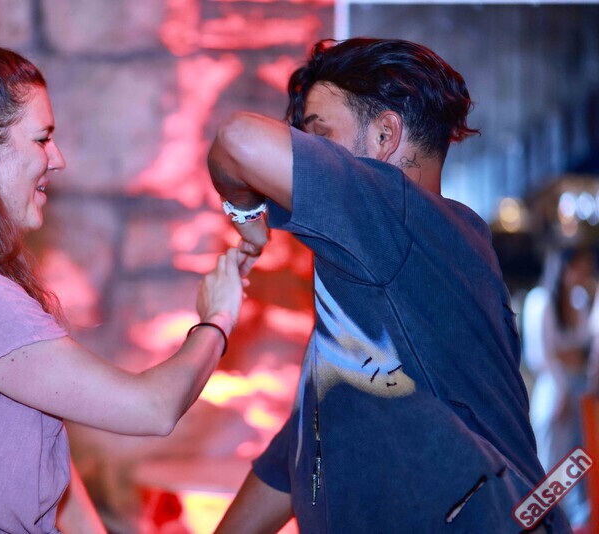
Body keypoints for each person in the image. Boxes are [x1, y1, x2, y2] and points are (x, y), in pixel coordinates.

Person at [0, 43, 244, 533]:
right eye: (42, 139)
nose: (58, 159)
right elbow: (154, 407)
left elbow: (53, 474)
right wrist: (217, 320)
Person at [208, 38, 570, 532]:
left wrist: (247, 215)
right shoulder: (409, 258)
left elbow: (237, 140)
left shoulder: (395, 211)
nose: (307, 155)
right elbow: (301, 449)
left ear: (385, 135)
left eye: (319, 136)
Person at [525, 247, 596, 528]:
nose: (586, 273)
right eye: (581, 267)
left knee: (578, 460)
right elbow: (540, 355)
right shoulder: (541, 300)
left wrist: (567, 355)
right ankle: (546, 523)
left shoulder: (578, 300)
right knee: (552, 460)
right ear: (566, 268)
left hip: (578, 390)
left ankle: (574, 522)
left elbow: (585, 348)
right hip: (554, 391)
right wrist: (566, 364)